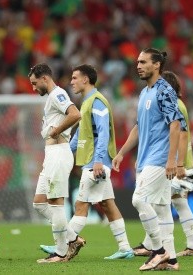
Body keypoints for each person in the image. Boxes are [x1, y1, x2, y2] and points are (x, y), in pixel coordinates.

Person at [40, 64, 134, 260]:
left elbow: (103, 133)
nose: (71, 82)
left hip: (95, 163)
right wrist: (67, 152)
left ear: (86, 79)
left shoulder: (97, 102)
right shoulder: (87, 102)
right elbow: (81, 136)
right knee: (108, 204)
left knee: (81, 204)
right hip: (93, 161)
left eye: (75, 78)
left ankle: (65, 245)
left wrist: (99, 161)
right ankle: (125, 248)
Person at [113, 48, 186, 271]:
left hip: (159, 157)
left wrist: (172, 160)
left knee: (139, 200)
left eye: (143, 62)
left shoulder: (164, 90)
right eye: (137, 62)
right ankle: (171, 259)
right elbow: (138, 127)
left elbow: (176, 125)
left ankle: (158, 251)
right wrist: (122, 151)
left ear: (157, 65)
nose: (138, 65)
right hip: (145, 158)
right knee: (162, 207)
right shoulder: (145, 92)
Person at [132, 70, 193, 258]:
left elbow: (182, 133)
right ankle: (185, 247)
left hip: (175, 162)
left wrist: (179, 164)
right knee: (174, 202)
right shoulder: (178, 104)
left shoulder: (174, 104)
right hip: (177, 160)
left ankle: (156, 246)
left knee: (156, 202)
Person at [28, 63, 83, 263]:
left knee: (55, 202)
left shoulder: (58, 94)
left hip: (59, 152)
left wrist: (56, 130)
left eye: (35, 84)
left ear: (45, 78)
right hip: (51, 153)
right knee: (39, 202)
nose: (34, 88)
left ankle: (61, 252)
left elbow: (75, 114)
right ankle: (72, 238)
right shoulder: (52, 97)